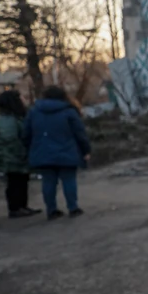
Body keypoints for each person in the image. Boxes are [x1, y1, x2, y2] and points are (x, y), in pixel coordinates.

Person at [24, 86, 91, 220]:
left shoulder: (34, 112)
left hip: (42, 152)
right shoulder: (68, 111)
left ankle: (51, 210)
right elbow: (80, 133)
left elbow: (26, 133)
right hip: (66, 151)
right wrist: (86, 150)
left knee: (48, 181)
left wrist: (31, 148)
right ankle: (73, 208)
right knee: (69, 180)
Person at [0, 90, 41, 218]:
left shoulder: (13, 117)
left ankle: (21, 206)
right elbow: (10, 139)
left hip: (14, 156)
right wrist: (22, 152)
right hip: (13, 157)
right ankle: (15, 208)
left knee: (21, 181)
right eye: (21, 97)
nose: (24, 99)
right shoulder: (7, 120)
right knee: (15, 182)